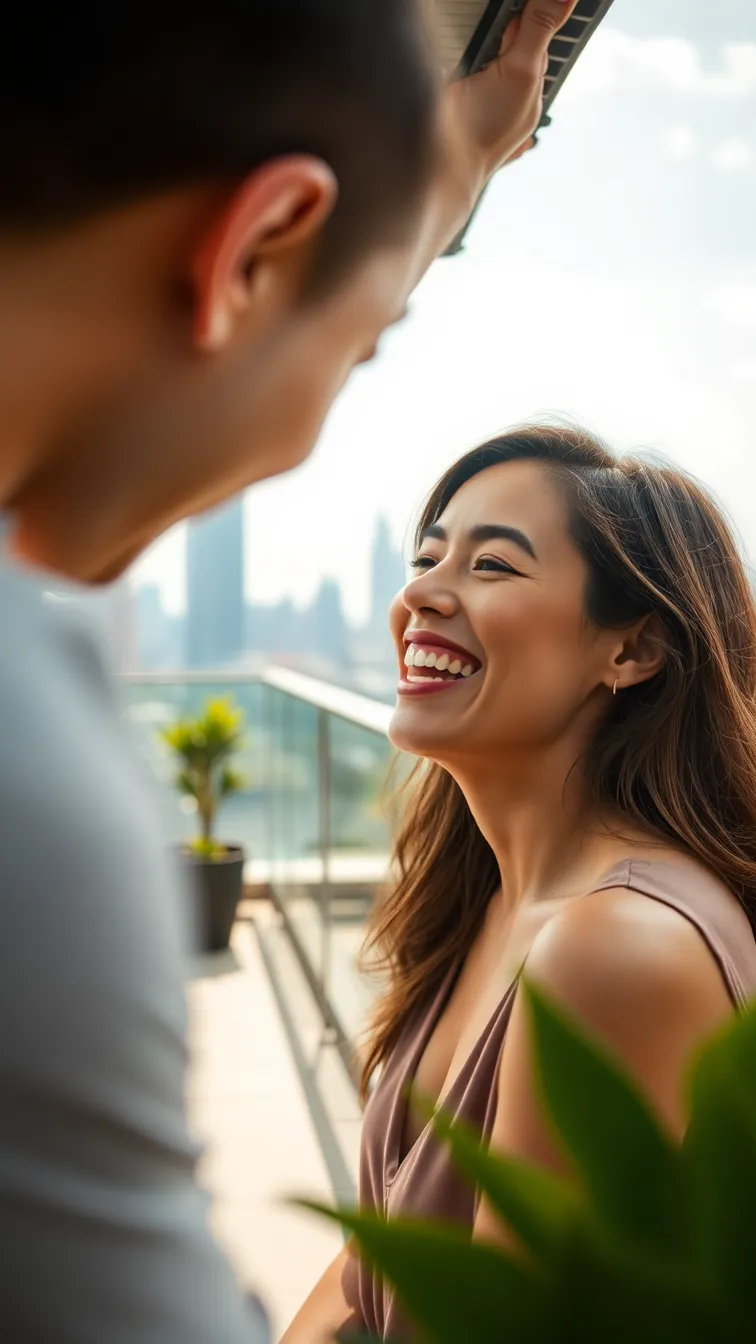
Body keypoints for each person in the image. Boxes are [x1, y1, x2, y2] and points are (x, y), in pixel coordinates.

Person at [0, 2, 580, 1340]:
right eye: (358, 349)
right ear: (257, 243)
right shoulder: (32, 781)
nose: (309, 428)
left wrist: (434, 180)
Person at [284, 424, 756, 1342]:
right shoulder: (491, 900)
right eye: (427, 558)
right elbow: (375, 1262)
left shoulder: (618, 948)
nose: (421, 594)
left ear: (632, 651)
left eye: (492, 566)